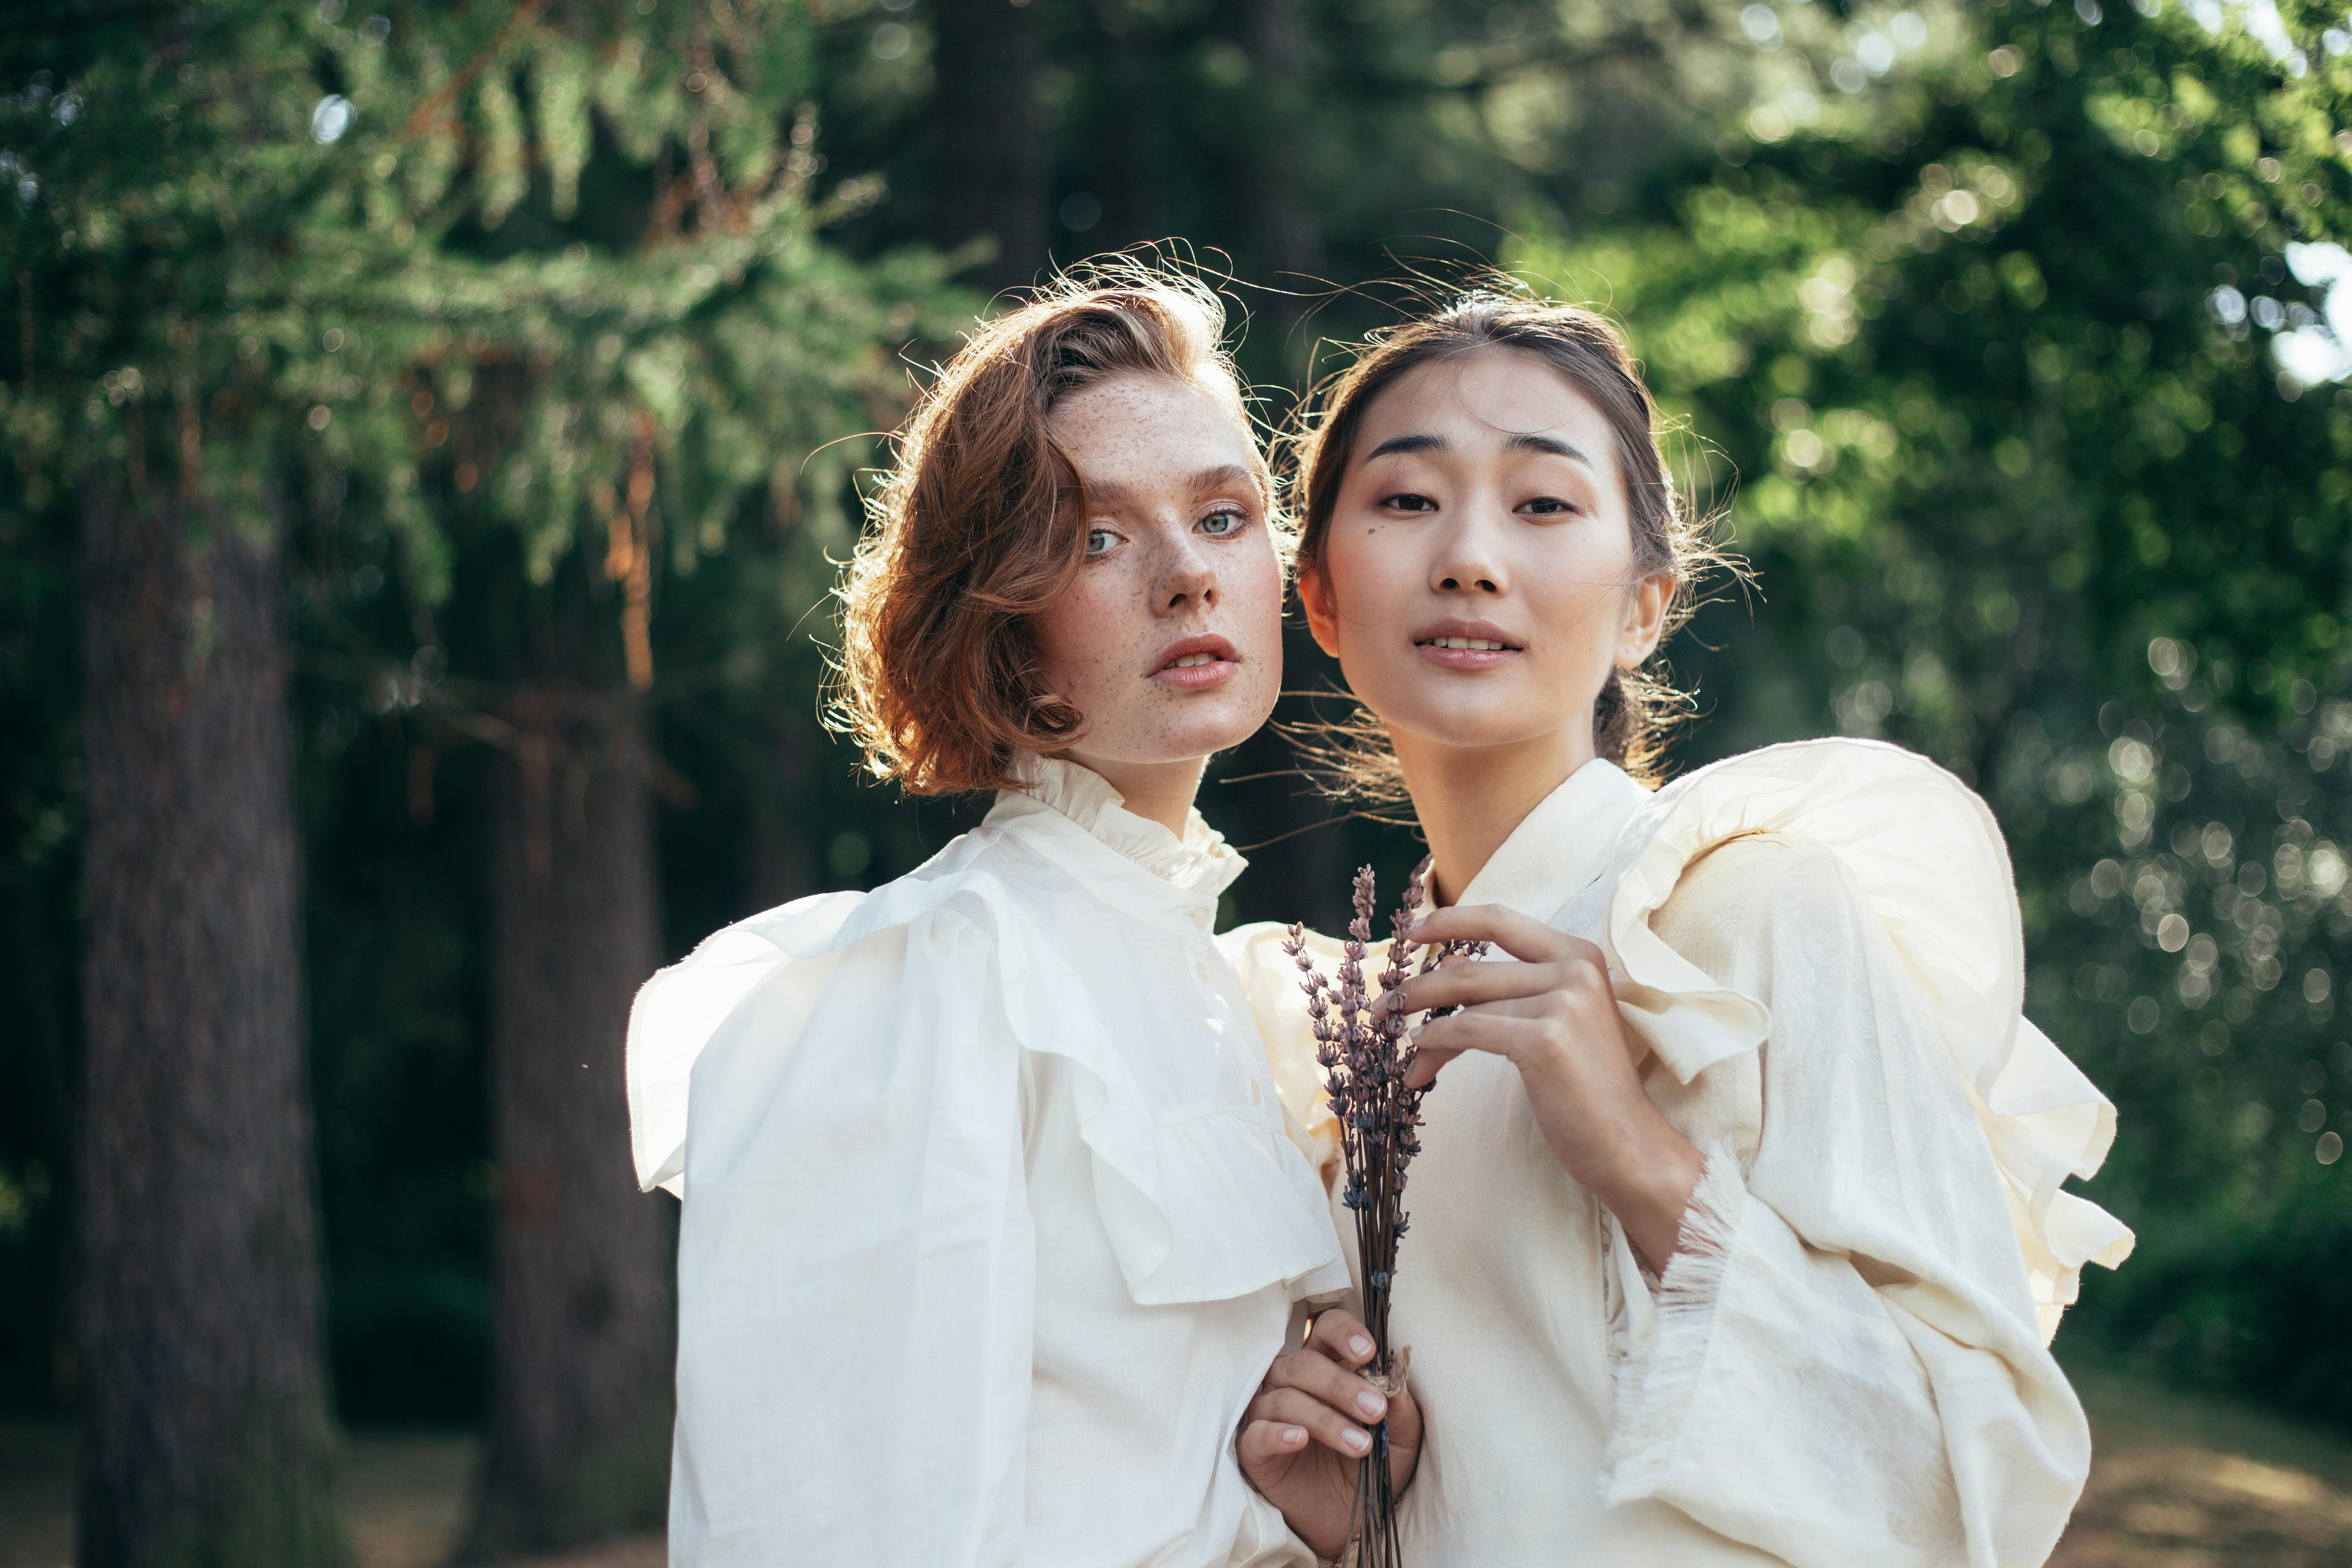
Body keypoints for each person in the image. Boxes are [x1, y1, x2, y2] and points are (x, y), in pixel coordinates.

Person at [1226, 289, 2135, 1566]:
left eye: (1543, 504)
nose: (1470, 558)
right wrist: (1354, 1524)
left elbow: (1970, 1483)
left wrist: (1641, 1160)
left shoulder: (1750, 910)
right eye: (1407, 500)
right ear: (1317, 598)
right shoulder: (1339, 1048)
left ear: (1646, 605)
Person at [625, 270, 1373, 1566]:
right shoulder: (926, 978)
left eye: (1224, 515)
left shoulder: (1219, 995)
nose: (1188, 576)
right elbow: (829, 1533)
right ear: (998, 620)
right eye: (1097, 537)